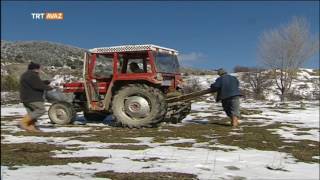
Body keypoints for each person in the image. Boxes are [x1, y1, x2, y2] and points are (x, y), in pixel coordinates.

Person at [19, 62, 53, 132]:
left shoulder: (26, 75)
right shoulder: (32, 75)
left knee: (32, 113)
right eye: (39, 68)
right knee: (41, 110)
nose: (40, 70)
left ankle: (31, 127)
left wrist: (45, 82)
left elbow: (35, 83)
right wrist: (50, 87)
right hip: (33, 98)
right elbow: (37, 85)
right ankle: (23, 122)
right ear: (35, 69)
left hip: (25, 98)